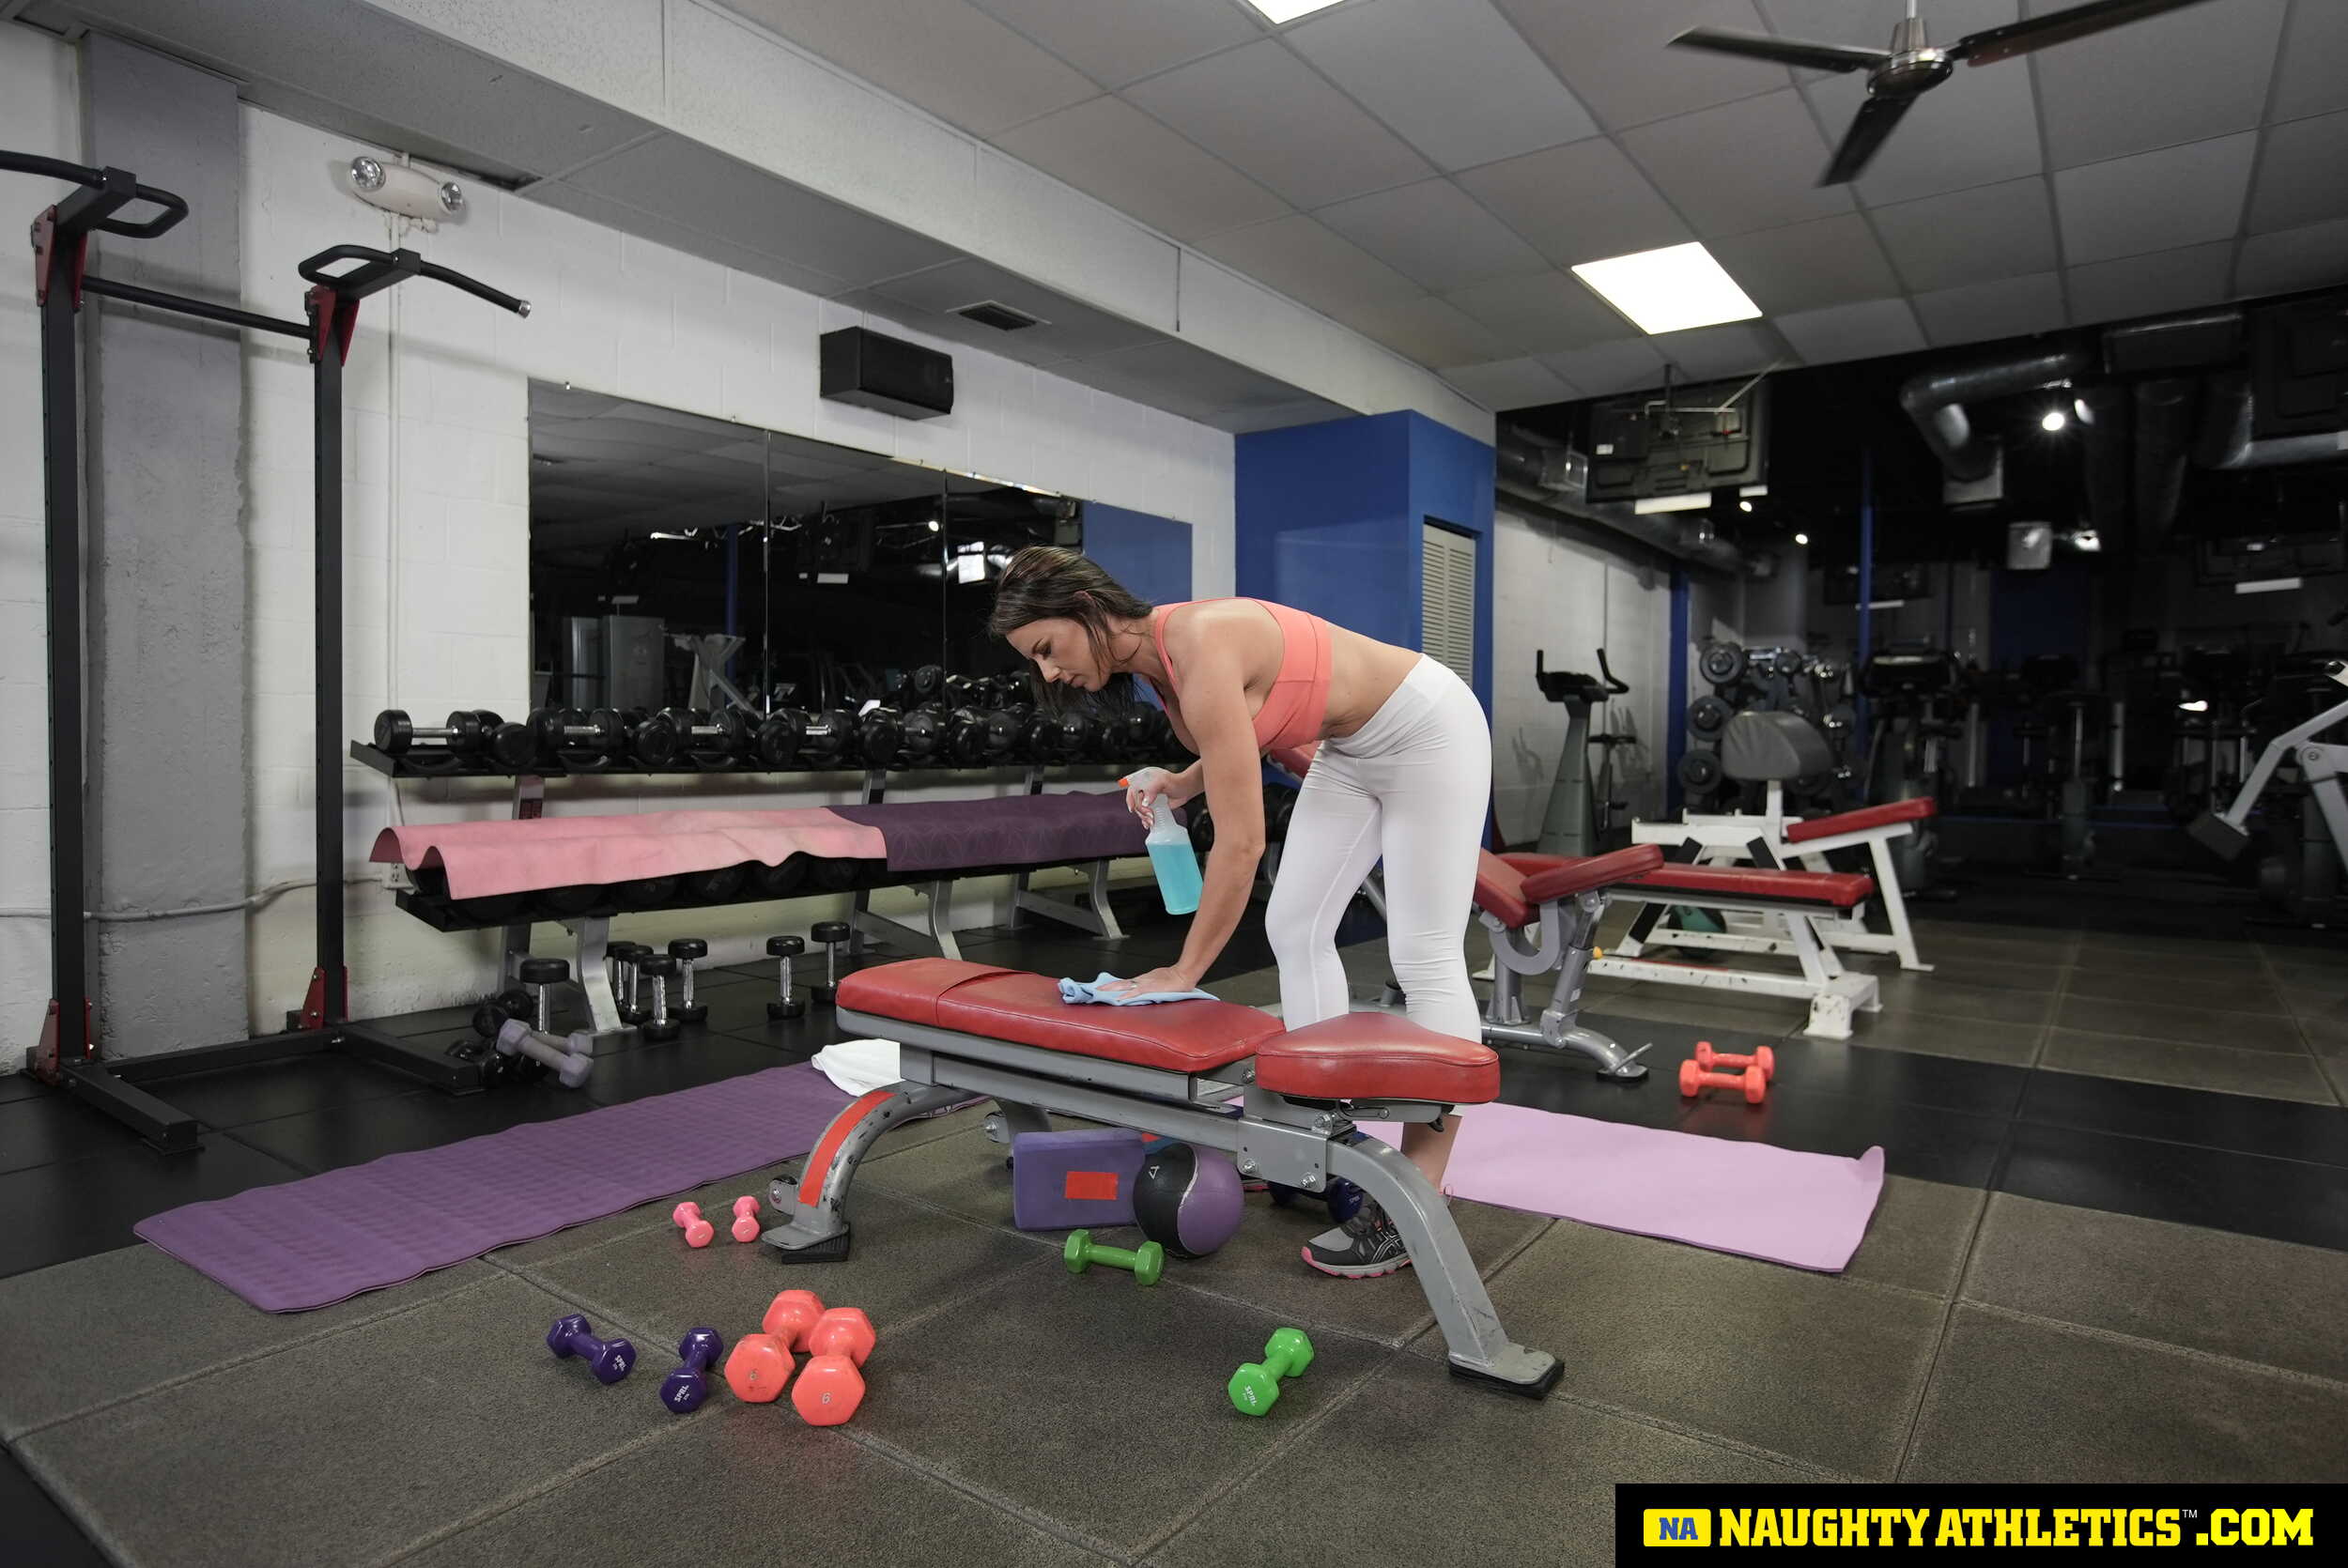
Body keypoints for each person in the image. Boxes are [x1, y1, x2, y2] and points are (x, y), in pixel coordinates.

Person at [988, 546, 1491, 1279]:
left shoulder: (1199, 642)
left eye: (1046, 648)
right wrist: (1184, 781)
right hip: (1350, 753)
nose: (1049, 672)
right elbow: (1243, 733)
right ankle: (1318, 1131)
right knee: (1295, 925)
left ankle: (1416, 1200)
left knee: (1424, 952)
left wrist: (1184, 969)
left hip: (1429, 729)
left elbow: (1243, 842)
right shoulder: (1160, 668)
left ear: (1087, 609)